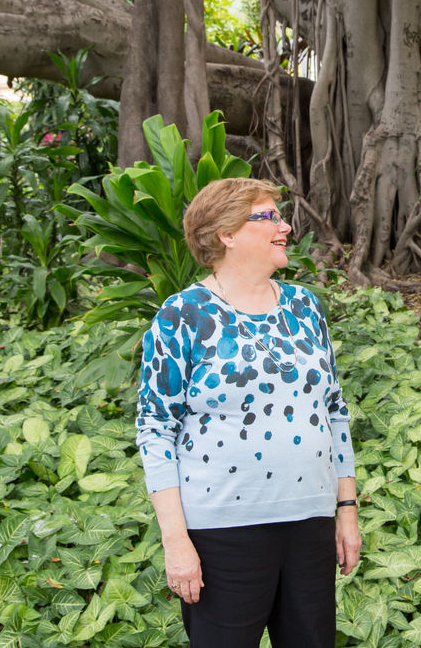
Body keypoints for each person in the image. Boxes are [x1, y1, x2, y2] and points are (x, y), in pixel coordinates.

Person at [135, 177, 360, 648]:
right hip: (221, 535)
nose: (286, 226)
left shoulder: (305, 306)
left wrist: (346, 509)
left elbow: (334, 412)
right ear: (226, 234)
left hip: (309, 526)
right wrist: (176, 541)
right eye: (269, 217)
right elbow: (156, 430)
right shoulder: (182, 316)